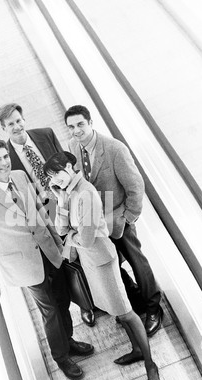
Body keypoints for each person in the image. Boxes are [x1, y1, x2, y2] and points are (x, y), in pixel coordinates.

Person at [0, 139, 94, 380]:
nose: (4, 162)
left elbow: (40, 210)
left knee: (63, 299)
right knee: (49, 310)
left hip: (49, 251)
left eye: (5, 156)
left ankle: (68, 341)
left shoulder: (19, 176)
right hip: (24, 265)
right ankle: (61, 357)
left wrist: (60, 244)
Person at [43, 151, 160, 380]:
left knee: (126, 313)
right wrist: (61, 203)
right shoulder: (70, 194)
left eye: (57, 174)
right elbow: (62, 228)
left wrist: (70, 237)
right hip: (91, 261)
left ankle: (151, 365)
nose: (56, 180)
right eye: (52, 177)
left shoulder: (86, 193)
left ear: (69, 166)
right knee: (117, 310)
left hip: (102, 261)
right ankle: (137, 350)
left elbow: (84, 238)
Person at [64, 105, 164, 337]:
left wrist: (127, 218)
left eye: (80, 124)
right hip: (96, 223)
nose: (76, 130)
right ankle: (135, 302)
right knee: (112, 265)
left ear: (90, 122)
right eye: (71, 127)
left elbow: (136, 186)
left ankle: (153, 309)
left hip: (118, 218)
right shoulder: (72, 147)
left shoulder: (114, 149)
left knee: (137, 262)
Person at [0, 102, 95, 327]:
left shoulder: (45, 135)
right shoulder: (6, 157)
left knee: (86, 248)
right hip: (44, 212)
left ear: (24, 120)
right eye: (10, 124)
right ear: (4, 128)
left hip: (68, 200)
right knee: (68, 257)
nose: (17, 126)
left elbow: (67, 165)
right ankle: (86, 305)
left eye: (19, 121)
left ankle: (97, 299)